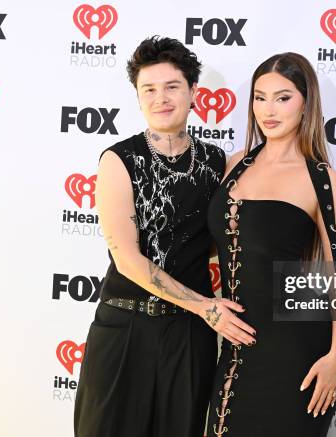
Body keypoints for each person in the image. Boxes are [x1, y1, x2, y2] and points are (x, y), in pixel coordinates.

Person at [73, 36, 256, 437]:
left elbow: (225, 242)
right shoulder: (119, 159)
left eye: (172, 86)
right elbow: (127, 258)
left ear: (193, 92)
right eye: (148, 90)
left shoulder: (217, 162)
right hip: (124, 329)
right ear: (138, 97)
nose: (161, 98)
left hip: (189, 338)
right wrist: (206, 307)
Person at [207, 52, 336, 436]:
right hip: (237, 347)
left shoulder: (322, 178)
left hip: (297, 352)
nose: (268, 109)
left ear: (306, 102)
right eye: (260, 97)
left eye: (283, 97)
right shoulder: (234, 165)